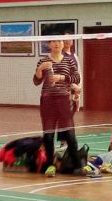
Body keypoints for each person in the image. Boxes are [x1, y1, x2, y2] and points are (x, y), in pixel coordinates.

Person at [34, 36, 81, 168]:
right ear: (49, 44)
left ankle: (77, 166)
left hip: (64, 101)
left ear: (63, 44)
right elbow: (36, 81)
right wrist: (40, 69)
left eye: (59, 41)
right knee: (48, 135)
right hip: (47, 101)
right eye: (54, 41)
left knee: (70, 134)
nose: (57, 44)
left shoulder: (68, 60)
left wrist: (61, 77)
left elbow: (76, 78)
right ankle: (50, 165)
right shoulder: (43, 61)